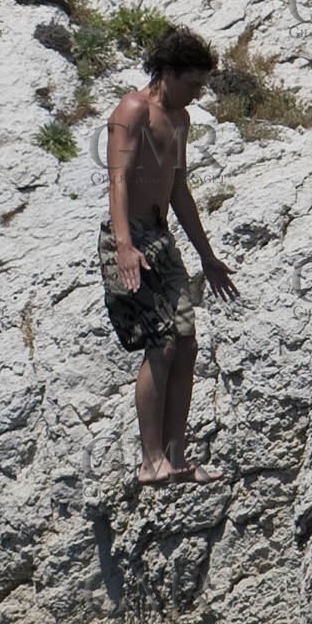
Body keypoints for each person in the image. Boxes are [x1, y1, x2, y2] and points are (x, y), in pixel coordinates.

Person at [97, 26, 239, 487]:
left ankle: (176, 460)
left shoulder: (180, 120)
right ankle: (150, 462)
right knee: (161, 344)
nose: (198, 93)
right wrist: (124, 247)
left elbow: (178, 189)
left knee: (187, 344)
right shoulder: (133, 109)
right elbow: (117, 182)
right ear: (168, 72)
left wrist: (208, 256)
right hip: (129, 238)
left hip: (160, 237)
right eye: (193, 83)